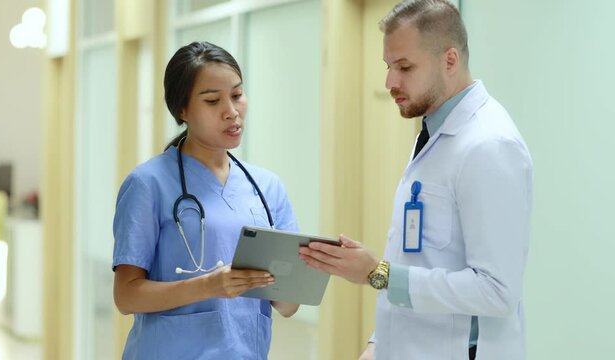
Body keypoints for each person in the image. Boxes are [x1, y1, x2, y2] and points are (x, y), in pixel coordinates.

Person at [299, 1, 533, 359]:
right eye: (388, 67)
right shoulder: (434, 131)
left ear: (450, 60)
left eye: (404, 67)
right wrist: (379, 344)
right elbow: (419, 257)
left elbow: (497, 291)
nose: (390, 82)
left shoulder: (488, 144)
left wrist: (378, 274)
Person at [112, 41, 299, 359]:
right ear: (182, 110)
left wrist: (295, 278)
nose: (232, 111)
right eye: (213, 101)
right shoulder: (149, 183)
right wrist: (208, 286)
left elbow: (288, 304)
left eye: (237, 95)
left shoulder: (267, 187)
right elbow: (126, 296)